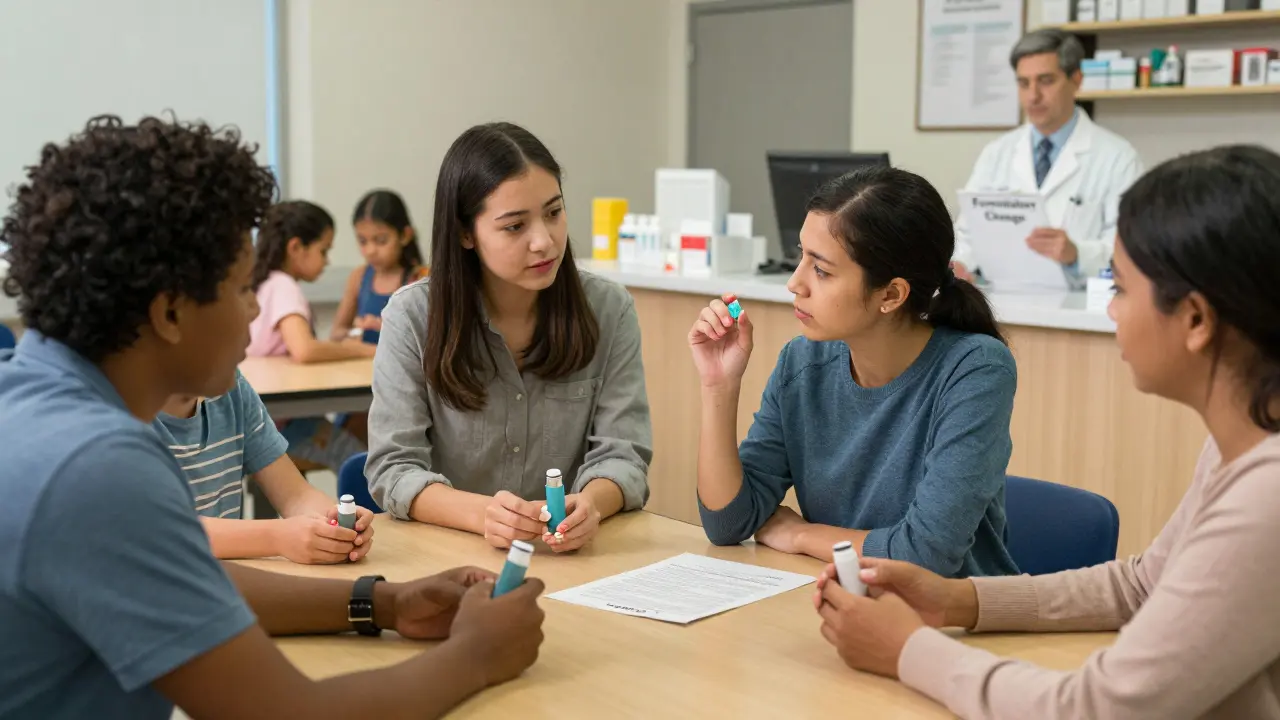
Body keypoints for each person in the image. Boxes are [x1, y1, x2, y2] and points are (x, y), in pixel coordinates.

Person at [0, 115, 545, 719]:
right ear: (170, 313)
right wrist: (477, 654)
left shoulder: (30, 401)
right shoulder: (94, 467)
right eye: (240, 289)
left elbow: (183, 586)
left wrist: (384, 602)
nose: (256, 308)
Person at [814, 145, 1280, 719]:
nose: (1111, 311)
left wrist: (908, 649)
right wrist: (957, 600)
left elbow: (1094, 709)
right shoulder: (1244, 443)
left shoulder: (1268, 496)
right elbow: (1142, 586)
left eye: (1121, 289)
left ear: (1196, 320)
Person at [690, 165, 1019, 578]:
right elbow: (728, 522)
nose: (795, 282)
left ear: (891, 294)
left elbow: (926, 555)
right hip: (845, 602)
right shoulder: (801, 362)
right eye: (801, 257)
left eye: (822, 270)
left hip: (949, 625)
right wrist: (718, 386)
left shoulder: (975, 370)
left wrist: (802, 536)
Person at [366, 122, 652, 553]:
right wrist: (483, 516)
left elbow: (623, 454)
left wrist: (591, 504)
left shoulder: (608, 310)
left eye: (554, 213)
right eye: (515, 226)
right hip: (452, 558)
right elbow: (393, 467)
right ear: (465, 233)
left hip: (572, 562)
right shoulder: (413, 317)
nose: (545, 241)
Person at [952, 28, 1143, 288]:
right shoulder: (997, 153)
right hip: (1000, 304)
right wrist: (962, 264)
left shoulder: (1117, 158)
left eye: (1046, 81)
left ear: (1076, 80)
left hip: (1077, 311)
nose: (1033, 96)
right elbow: (966, 234)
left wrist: (1078, 253)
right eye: (1023, 83)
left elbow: (1132, 251)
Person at [154, 374, 377, 564]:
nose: (248, 341)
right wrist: (276, 537)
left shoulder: (232, 387)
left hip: (226, 587)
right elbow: (161, 531)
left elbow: (295, 495)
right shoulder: (125, 414)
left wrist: (336, 528)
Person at [249, 200, 371, 474]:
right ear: (295, 248)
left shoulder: (264, 283)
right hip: (281, 427)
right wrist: (364, 350)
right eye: (323, 250)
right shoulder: (283, 286)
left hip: (263, 421)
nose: (327, 260)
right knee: (359, 460)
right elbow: (304, 349)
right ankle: (369, 516)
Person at [331, 189, 429, 345]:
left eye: (381, 241)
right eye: (363, 241)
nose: (370, 251)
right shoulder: (359, 277)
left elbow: (430, 337)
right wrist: (357, 331)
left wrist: (387, 328)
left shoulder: (421, 279)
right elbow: (336, 333)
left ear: (405, 235)